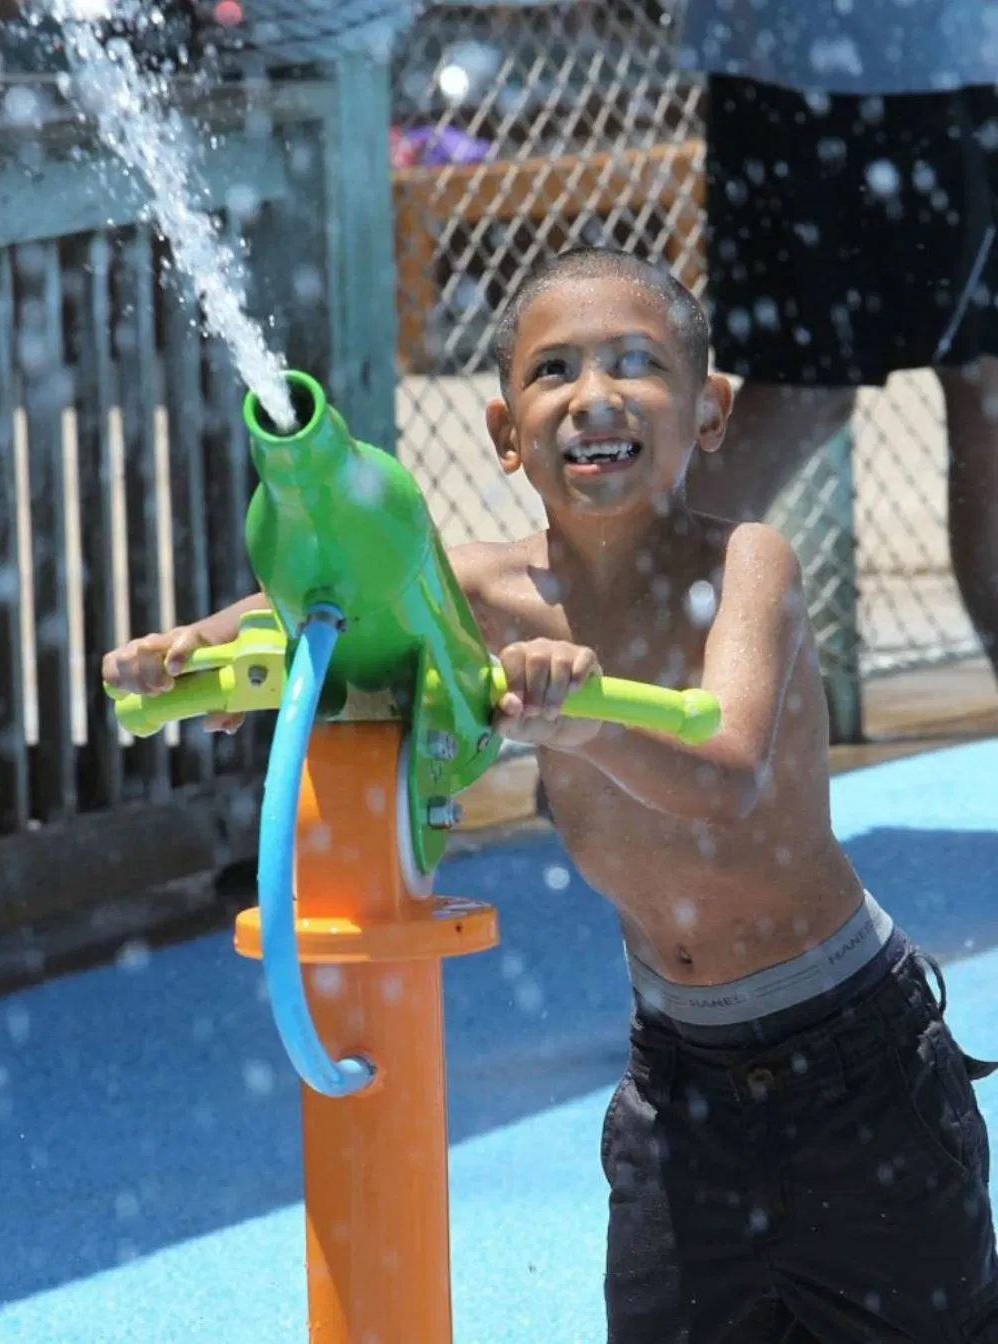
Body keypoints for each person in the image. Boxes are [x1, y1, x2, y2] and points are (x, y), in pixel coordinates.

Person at [103, 247, 998, 1341]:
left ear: (709, 411)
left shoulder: (747, 566)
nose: (593, 396)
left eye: (636, 364)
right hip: (682, 1093)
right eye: (553, 371)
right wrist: (195, 657)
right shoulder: (483, 590)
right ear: (501, 433)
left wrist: (582, 721)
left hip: (857, 1066)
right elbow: (328, 601)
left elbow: (725, 775)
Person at [673, 1, 998, 684]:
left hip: (844, 58)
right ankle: (617, 661)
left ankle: (615, 665)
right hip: (853, 61)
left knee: (972, 387)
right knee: (809, 393)